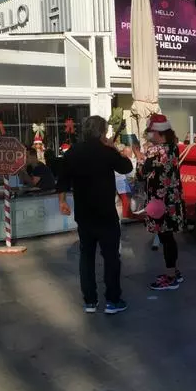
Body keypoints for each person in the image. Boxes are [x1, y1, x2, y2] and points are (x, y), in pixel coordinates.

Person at [57, 115, 132, 315]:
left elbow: (62, 179)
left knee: (87, 257)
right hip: (105, 213)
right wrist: (113, 148)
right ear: (101, 131)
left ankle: (90, 300)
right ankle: (112, 300)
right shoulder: (106, 151)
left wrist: (62, 201)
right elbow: (127, 167)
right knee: (111, 257)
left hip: (84, 213)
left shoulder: (73, 151)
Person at [138, 114, 186, 291]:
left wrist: (138, 155)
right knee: (169, 237)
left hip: (160, 201)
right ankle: (174, 271)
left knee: (166, 238)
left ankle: (170, 276)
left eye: (151, 131)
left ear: (157, 132)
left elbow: (142, 173)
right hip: (173, 200)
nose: (149, 135)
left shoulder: (154, 150)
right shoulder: (173, 147)